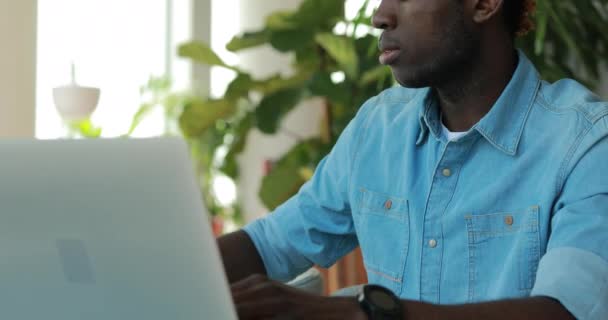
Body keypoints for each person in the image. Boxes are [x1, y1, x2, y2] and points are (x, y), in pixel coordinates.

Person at [219, 0, 608, 319]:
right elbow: (270, 244)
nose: (380, 16)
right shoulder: (378, 126)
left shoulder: (586, 143)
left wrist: (358, 314)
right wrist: (171, 266)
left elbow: (565, 312)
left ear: (485, 4)